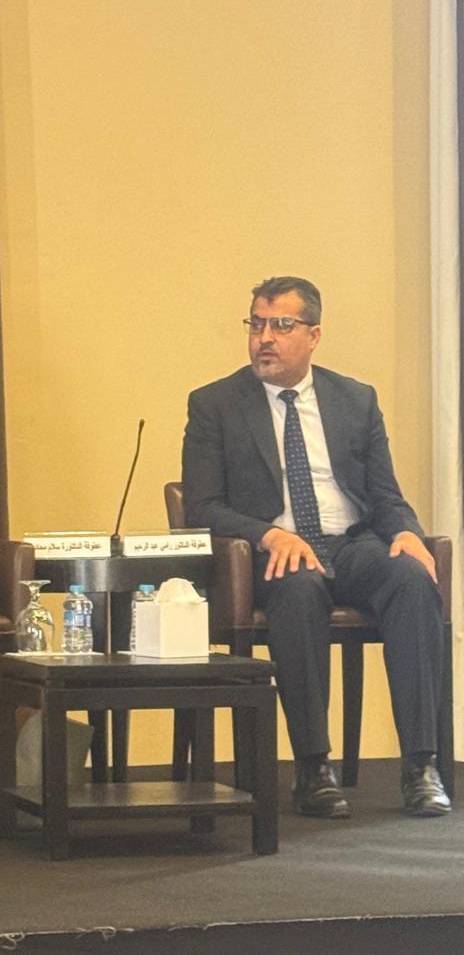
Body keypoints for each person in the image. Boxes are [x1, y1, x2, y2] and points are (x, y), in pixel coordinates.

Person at [182, 275, 450, 820]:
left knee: (411, 578)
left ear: (314, 335)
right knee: (298, 587)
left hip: (350, 544)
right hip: (273, 552)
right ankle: (312, 768)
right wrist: (269, 533)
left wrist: (406, 530)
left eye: (281, 325)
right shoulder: (215, 404)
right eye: (257, 323)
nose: (265, 337)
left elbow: (384, 495)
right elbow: (202, 508)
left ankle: (421, 765)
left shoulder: (355, 400)